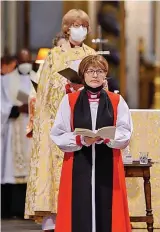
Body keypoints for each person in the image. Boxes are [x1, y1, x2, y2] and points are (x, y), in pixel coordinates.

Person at [24, 9, 96, 232]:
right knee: (54, 172)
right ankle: (53, 220)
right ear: (66, 28)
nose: (80, 29)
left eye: (84, 25)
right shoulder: (54, 56)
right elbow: (45, 91)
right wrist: (66, 87)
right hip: (59, 121)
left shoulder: (92, 54)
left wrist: (87, 87)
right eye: (76, 25)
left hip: (85, 118)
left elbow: (102, 84)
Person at [50, 55, 132, 232]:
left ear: (105, 75)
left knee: (108, 211)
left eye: (100, 71)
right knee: (78, 209)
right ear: (83, 75)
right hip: (78, 165)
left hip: (108, 164)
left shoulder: (117, 101)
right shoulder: (69, 101)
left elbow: (125, 132)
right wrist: (80, 139)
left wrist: (108, 137)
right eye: (90, 71)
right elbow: (58, 134)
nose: (95, 75)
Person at [1, 49, 36, 219]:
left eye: (28, 60)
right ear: (17, 61)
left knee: (31, 171)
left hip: (31, 130)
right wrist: (14, 108)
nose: (25, 64)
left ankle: (28, 210)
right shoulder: (6, 80)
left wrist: (30, 107)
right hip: (13, 129)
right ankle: (10, 209)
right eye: (22, 61)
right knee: (10, 171)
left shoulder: (38, 78)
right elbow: (2, 103)